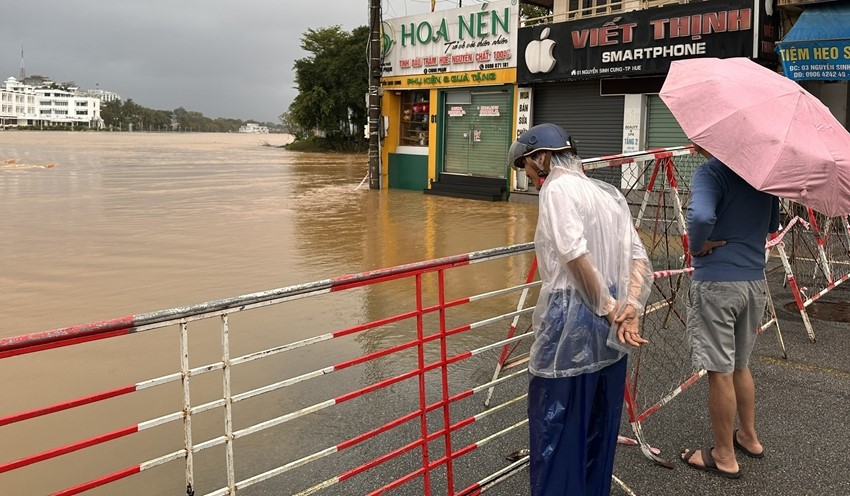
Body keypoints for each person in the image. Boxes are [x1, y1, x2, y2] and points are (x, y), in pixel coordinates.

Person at [507, 123, 653, 496]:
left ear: (541, 157)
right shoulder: (608, 194)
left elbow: (573, 254)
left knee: (556, 428)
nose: (526, 174)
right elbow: (639, 257)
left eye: (525, 164)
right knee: (598, 429)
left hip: (571, 322)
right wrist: (629, 309)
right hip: (612, 323)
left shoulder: (556, 189)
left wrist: (607, 310)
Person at [680, 144, 780, 478]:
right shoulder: (760, 176)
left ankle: (724, 455)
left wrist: (697, 246)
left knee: (719, 370)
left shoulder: (711, 173)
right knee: (740, 365)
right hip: (754, 283)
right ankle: (748, 437)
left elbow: (701, 216)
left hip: (717, 284)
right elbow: (771, 223)